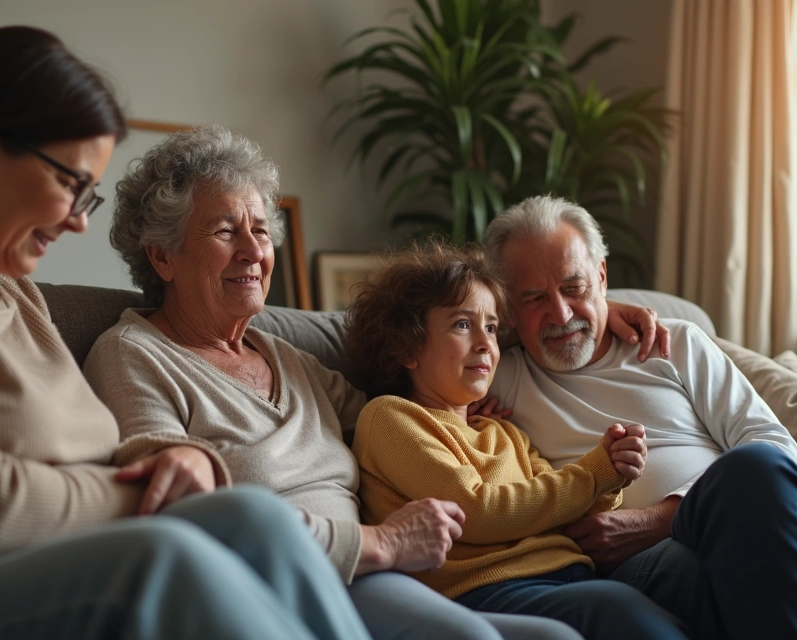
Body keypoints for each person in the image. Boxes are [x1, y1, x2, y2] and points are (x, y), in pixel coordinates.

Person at [0, 27, 370, 640]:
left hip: (50, 561)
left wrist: (181, 458)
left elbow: (106, 450)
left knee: (251, 515)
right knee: (162, 561)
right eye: (70, 184)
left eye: (90, 195)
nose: (80, 222)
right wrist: (150, 496)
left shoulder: (16, 297)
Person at [82, 125, 665, 639]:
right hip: (288, 572)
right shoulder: (133, 354)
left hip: (375, 571)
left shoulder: (292, 362)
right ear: (162, 257)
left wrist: (589, 314)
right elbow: (166, 488)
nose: (254, 251)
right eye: (224, 232)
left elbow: (420, 393)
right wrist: (380, 543)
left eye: (260, 230)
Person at [482, 195, 797, 640]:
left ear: (602, 277)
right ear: (507, 308)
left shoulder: (672, 342)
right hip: (669, 563)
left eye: (573, 287)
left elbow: (775, 445)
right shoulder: (496, 380)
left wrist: (661, 518)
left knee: (752, 468)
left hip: (787, 526)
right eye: (535, 298)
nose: (560, 313)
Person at [342, 241, 688, 639]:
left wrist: (614, 477)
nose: (486, 343)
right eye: (461, 324)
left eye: (491, 327)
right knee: (623, 613)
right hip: (484, 590)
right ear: (408, 347)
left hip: (568, 576)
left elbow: (566, 510)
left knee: (686, 578)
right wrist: (596, 473)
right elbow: (476, 509)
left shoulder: (504, 432)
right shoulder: (391, 418)